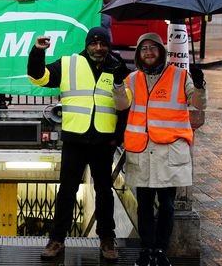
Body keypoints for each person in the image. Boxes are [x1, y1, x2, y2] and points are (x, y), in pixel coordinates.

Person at [28, 26, 130, 261]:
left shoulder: (117, 67)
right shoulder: (69, 63)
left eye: (103, 44)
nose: (98, 48)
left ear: (108, 46)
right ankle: (56, 240)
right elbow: (39, 76)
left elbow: (125, 106)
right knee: (67, 191)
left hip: (104, 141)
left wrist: (118, 136)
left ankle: (107, 239)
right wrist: (37, 52)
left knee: (104, 192)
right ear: (87, 45)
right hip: (75, 138)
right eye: (94, 43)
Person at [112, 33, 207, 266]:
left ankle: (161, 251)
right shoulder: (133, 79)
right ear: (138, 54)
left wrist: (199, 84)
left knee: (167, 206)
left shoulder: (179, 76)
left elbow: (199, 104)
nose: (148, 53)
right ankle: (146, 250)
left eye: (153, 48)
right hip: (142, 152)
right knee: (144, 206)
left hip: (169, 153)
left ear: (161, 51)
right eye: (143, 49)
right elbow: (121, 104)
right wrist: (117, 84)